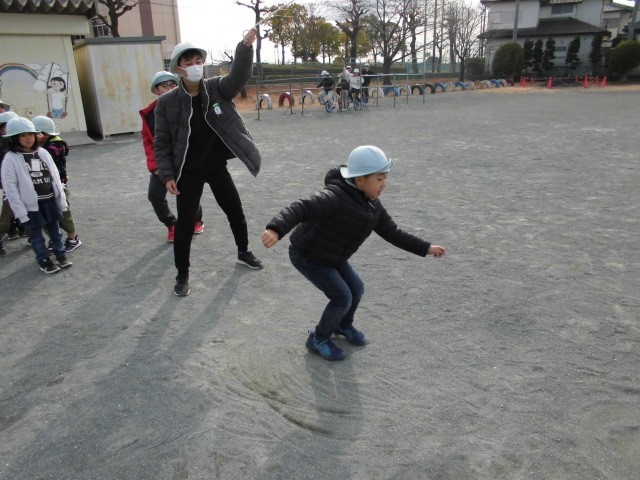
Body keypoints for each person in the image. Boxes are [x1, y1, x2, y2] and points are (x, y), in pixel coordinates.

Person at [261, 145, 446, 361]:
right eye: (379, 179)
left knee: (356, 288)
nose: (384, 184)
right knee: (342, 297)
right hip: (308, 255)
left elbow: (393, 233)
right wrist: (276, 228)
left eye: (385, 178)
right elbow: (302, 207)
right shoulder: (334, 196)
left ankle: (342, 324)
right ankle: (318, 338)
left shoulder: (373, 206)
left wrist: (426, 248)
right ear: (359, 180)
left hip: (333, 256)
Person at [155, 27, 264, 297]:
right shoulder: (167, 102)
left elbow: (239, 77)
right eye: (188, 62)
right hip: (187, 172)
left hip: (216, 166)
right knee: (185, 224)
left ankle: (243, 251)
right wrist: (167, 176)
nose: (195, 66)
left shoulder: (216, 88)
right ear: (178, 68)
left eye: (198, 61)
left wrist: (245, 47)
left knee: (235, 210)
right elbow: (162, 142)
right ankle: (182, 273)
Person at [139, 71, 204, 242]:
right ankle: (171, 224)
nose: (169, 89)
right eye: (164, 86)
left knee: (188, 192)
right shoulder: (150, 114)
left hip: (184, 160)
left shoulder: (187, 106)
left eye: (173, 85)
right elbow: (149, 144)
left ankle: (196, 220)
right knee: (155, 195)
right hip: (163, 162)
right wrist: (155, 167)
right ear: (156, 90)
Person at [0, 117, 71, 273]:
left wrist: (61, 199)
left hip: (49, 202)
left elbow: (55, 176)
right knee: (36, 236)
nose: (28, 138)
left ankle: (60, 254)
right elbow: (10, 188)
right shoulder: (10, 158)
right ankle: (44, 260)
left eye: (30, 134)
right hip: (30, 206)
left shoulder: (43, 152)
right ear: (13, 138)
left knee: (55, 232)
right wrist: (20, 211)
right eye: (22, 135)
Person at [32, 116, 82, 253]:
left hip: (59, 187)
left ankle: (73, 238)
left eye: (33, 134)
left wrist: (35, 146)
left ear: (44, 134)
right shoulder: (39, 146)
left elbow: (46, 155)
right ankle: (55, 239)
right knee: (47, 216)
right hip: (41, 187)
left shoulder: (57, 145)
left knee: (64, 214)